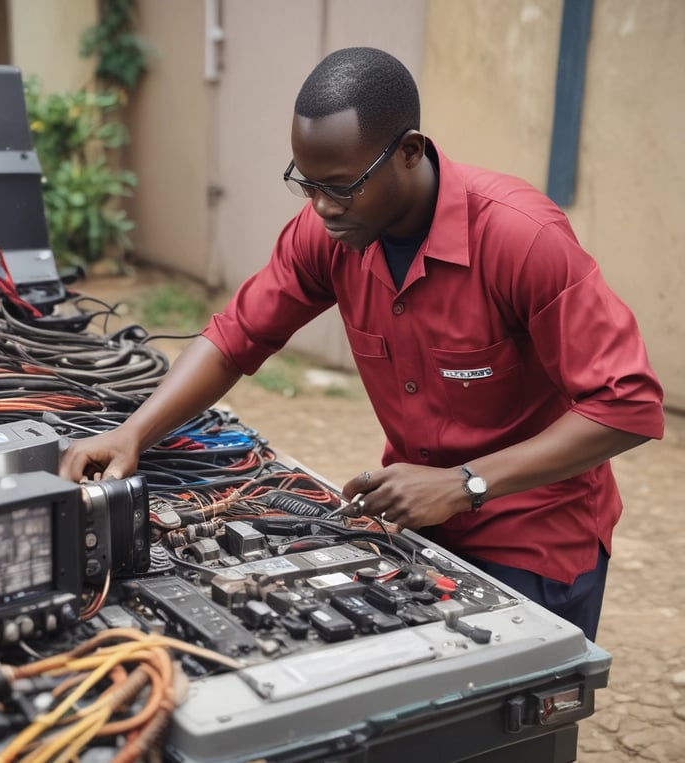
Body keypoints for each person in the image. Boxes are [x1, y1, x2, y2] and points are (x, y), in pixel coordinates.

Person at [60, 47, 664, 640]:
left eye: (342, 186)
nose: (322, 207)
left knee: (499, 725)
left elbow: (627, 405)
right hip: (413, 517)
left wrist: (463, 484)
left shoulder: (521, 239)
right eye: (308, 183)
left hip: (533, 534)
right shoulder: (331, 230)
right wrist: (132, 433)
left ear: (408, 151)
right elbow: (237, 334)